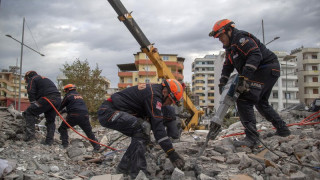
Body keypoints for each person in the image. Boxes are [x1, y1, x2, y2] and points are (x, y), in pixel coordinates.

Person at [209, 19, 291, 148]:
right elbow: (227, 66)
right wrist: (222, 82)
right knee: (260, 102)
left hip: (266, 67)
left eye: (221, 36)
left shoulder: (240, 39)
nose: (220, 40)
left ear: (229, 31)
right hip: (269, 70)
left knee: (244, 99)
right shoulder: (230, 49)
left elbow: (255, 54)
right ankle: (283, 130)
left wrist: (245, 78)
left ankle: (252, 139)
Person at [98, 79, 185, 179]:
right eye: (170, 100)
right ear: (165, 92)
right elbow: (158, 128)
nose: (170, 104)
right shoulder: (154, 96)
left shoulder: (155, 92)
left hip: (116, 111)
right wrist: (171, 153)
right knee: (143, 129)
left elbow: (157, 122)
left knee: (142, 135)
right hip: (108, 112)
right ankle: (139, 174)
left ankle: (123, 169)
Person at [58, 84, 101, 151]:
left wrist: (57, 111)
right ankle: (96, 146)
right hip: (85, 115)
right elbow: (76, 106)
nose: (65, 92)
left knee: (62, 128)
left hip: (74, 116)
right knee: (88, 132)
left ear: (68, 90)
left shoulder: (68, 96)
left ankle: (65, 144)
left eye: (65, 91)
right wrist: (64, 111)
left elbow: (61, 106)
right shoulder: (80, 96)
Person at [23, 71, 61, 145]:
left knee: (29, 112)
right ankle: (49, 141)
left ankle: (29, 137)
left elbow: (31, 91)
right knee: (50, 121)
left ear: (28, 77)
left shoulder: (33, 79)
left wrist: (33, 104)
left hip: (47, 98)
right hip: (57, 99)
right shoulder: (44, 79)